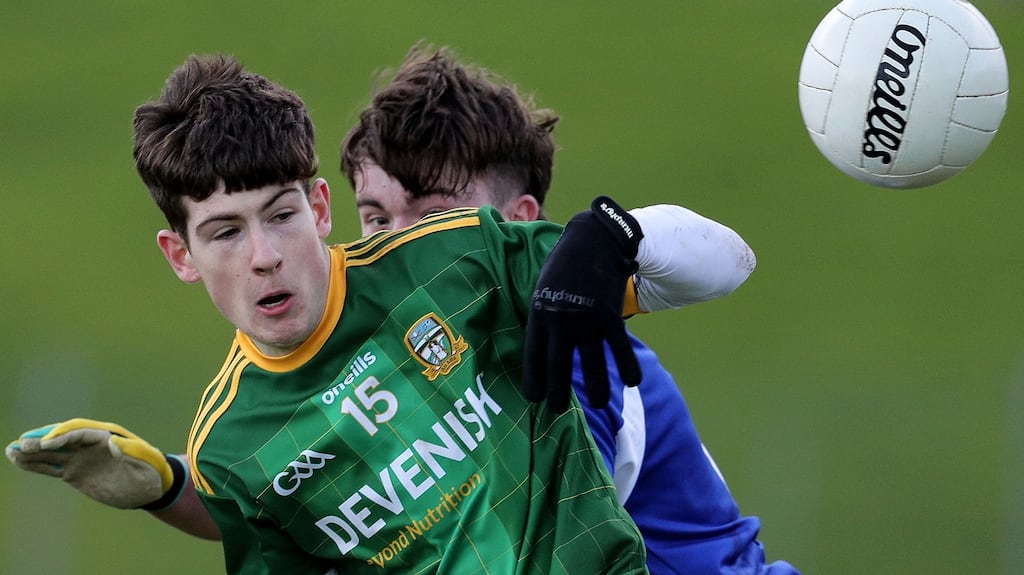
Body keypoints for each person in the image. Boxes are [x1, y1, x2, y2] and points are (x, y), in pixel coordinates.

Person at [5, 53, 757, 574]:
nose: (264, 255)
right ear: (180, 254)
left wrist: (617, 233)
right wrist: (176, 486)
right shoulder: (231, 437)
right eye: (226, 232)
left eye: (280, 216)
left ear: (316, 206)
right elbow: (304, 503)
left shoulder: (534, 317)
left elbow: (728, 259)